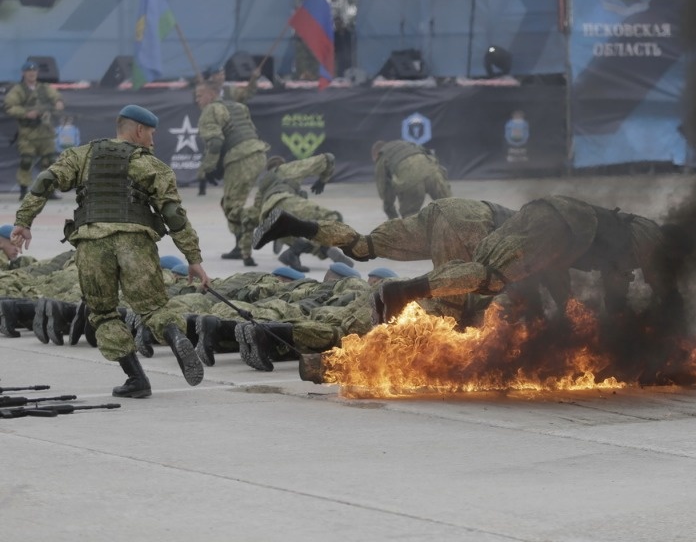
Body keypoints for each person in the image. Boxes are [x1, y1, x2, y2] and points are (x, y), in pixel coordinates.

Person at [11, 104, 211, 398]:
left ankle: (136, 379)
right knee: (153, 306)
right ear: (139, 130)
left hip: (92, 244)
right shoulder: (151, 165)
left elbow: (45, 181)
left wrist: (23, 222)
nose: (152, 142)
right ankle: (173, 334)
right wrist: (193, 259)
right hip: (135, 243)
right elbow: (173, 214)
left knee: (103, 313)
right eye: (151, 134)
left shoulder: (81, 155)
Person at [368, 196, 684, 328]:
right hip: (563, 226)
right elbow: (655, 290)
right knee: (490, 276)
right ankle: (403, 292)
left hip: (542, 211)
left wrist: (565, 308)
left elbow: (553, 267)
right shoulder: (653, 237)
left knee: (481, 264)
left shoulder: (627, 232)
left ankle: (405, 290)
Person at [253, 197, 516, 322]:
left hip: (443, 210)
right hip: (471, 225)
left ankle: (297, 226)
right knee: (453, 311)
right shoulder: (543, 247)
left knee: (362, 247)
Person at [195, 81, 269, 265]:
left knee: (231, 206)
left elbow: (215, 143)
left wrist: (208, 168)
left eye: (199, 96)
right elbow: (253, 132)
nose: (197, 100)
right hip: (259, 155)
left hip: (241, 159)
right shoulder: (238, 106)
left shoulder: (210, 110)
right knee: (232, 201)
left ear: (211, 95)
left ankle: (266, 225)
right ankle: (242, 243)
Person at [3, 60, 65, 200]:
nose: (32, 74)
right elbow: (9, 107)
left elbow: (55, 96)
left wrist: (58, 101)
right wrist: (25, 113)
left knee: (49, 161)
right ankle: (24, 190)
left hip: (45, 132)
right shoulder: (18, 90)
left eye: (34, 71)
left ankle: (48, 190)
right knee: (26, 161)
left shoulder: (44, 88)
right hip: (28, 133)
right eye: (29, 71)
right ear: (23, 73)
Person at [371, 140, 452, 219]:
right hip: (432, 172)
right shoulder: (403, 144)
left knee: (411, 218)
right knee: (451, 208)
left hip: (411, 180)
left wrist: (392, 216)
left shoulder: (382, 156)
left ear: (376, 154)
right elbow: (429, 154)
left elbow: (385, 189)